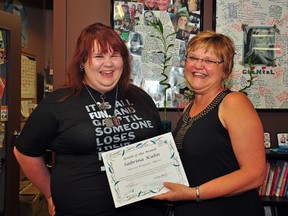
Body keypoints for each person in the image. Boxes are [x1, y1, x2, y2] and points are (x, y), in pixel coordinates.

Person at [14, 23, 164, 216]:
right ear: (82, 62)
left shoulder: (140, 97)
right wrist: (50, 194)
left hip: (143, 209)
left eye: (115, 55)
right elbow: (24, 151)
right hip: (83, 209)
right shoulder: (59, 102)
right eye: (99, 56)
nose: (108, 63)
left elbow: (158, 147)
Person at [153, 30, 266, 216]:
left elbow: (254, 175)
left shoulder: (234, 103)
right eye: (193, 58)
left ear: (226, 70)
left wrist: (194, 193)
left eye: (209, 61)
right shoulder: (190, 106)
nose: (198, 65)